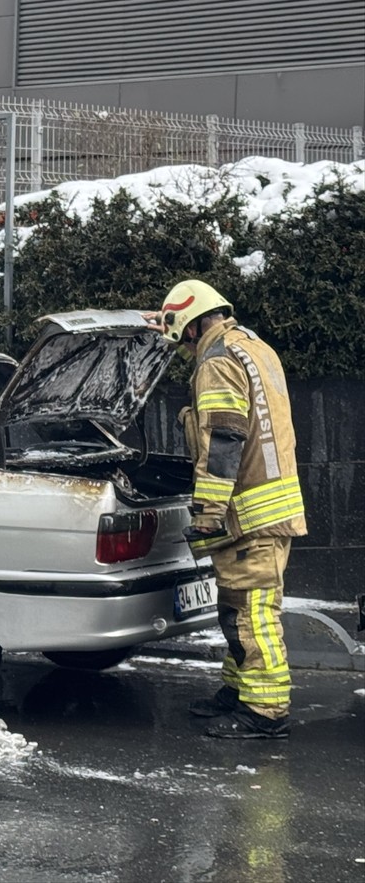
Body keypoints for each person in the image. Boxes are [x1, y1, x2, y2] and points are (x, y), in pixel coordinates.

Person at [147, 278, 306, 739]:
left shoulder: (216, 363)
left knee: (253, 612)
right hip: (269, 503)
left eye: (181, 338)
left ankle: (265, 710)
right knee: (238, 607)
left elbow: (223, 441)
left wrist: (208, 513)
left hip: (248, 512)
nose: (184, 349)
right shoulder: (254, 348)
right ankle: (238, 692)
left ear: (192, 327)